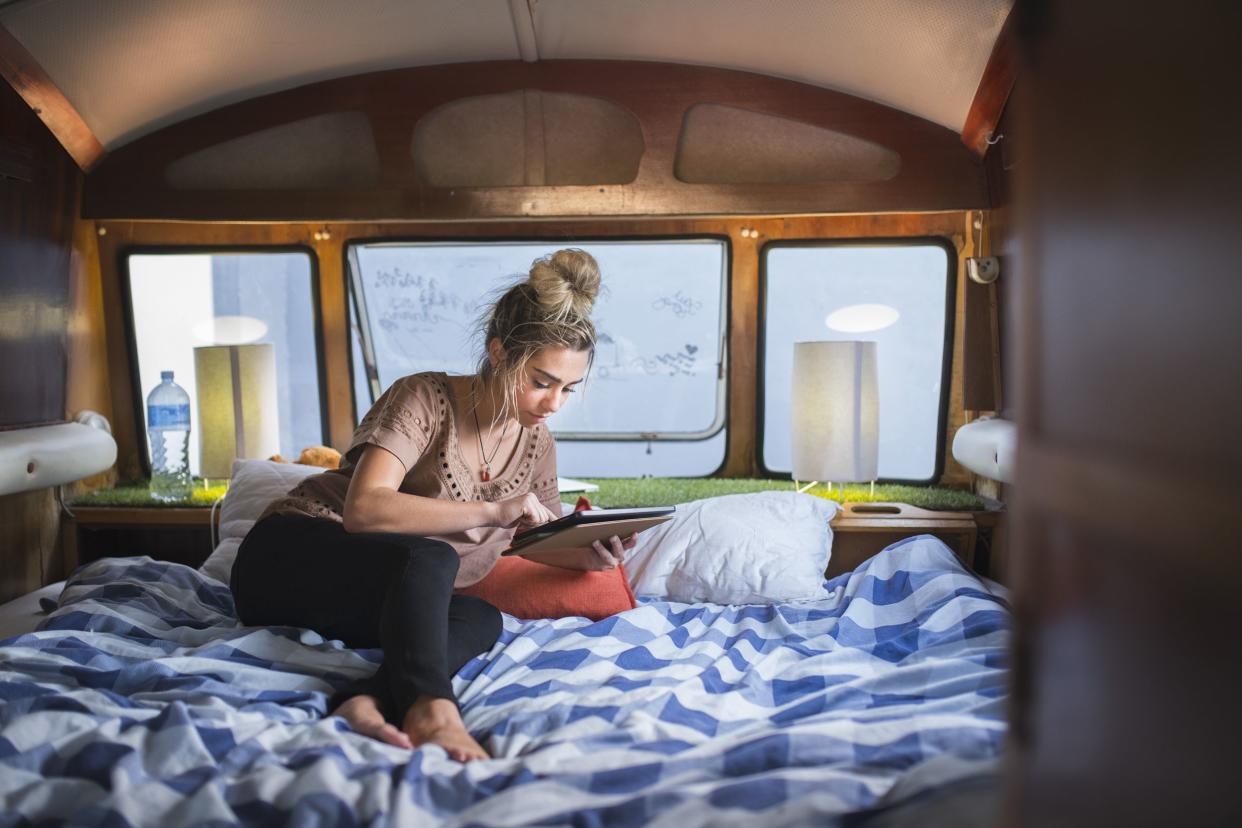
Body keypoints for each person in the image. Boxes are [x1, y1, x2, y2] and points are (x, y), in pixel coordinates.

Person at [229, 248, 634, 762]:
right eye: (541, 381)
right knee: (432, 557)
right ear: (499, 353)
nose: (553, 403)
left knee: (480, 618)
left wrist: (588, 552)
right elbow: (366, 510)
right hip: (287, 558)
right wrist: (493, 510)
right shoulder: (423, 398)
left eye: (568, 389)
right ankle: (433, 713)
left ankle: (362, 702)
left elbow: (532, 537)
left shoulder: (537, 443)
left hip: (376, 592)